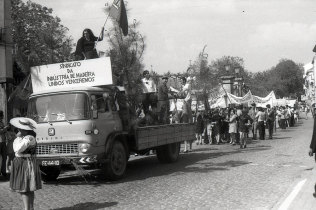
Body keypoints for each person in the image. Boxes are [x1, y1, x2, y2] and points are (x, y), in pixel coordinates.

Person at [9, 117, 42, 210]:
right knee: (27, 189)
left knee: (25, 189)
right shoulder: (24, 138)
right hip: (21, 162)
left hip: (25, 163)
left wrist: (18, 137)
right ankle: (30, 208)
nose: (18, 130)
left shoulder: (29, 138)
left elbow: (17, 149)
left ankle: (27, 208)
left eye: (19, 128)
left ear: (24, 129)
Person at [0, 110, 9, 178]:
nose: (2, 117)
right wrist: (5, 128)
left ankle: (3, 171)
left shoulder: (2, 123)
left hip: (3, 142)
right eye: (1, 116)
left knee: (4, 157)